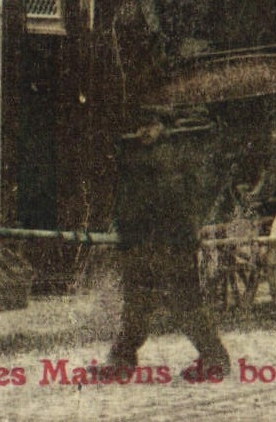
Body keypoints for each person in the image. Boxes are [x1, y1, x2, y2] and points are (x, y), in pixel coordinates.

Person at [108, 107, 231, 377]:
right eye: (141, 126)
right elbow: (126, 200)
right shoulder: (135, 156)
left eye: (150, 125)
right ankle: (122, 358)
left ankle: (215, 359)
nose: (144, 131)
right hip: (140, 242)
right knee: (137, 302)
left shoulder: (173, 155)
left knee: (185, 303)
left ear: (163, 127)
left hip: (173, 242)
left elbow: (175, 202)